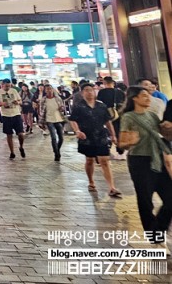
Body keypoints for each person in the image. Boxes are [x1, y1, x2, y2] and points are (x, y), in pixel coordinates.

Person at [119, 86, 172, 241]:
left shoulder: (153, 116)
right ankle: (155, 237)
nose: (149, 98)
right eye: (144, 95)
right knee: (145, 200)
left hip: (158, 159)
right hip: (139, 162)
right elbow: (122, 143)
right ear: (134, 98)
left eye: (149, 95)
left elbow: (164, 137)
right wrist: (130, 142)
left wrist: (168, 128)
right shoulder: (128, 117)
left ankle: (158, 230)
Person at [68, 83, 121, 197]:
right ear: (82, 93)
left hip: (101, 135)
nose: (89, 92)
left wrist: (113, 135)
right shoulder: (79, 107)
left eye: (91, 90)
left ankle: (111, 187)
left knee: (105, 161)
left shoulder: (101, 106)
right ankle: (91, 182)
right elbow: (73, 120)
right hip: (86, 137)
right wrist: (77, 131)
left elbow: (108, 121)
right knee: (89, 160)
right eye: (86, 90)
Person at [0, 80, 26, 159]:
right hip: (6, 116)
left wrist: (17, 102)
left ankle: (21, 147)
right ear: (2, 85)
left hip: (16, 114)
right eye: (6, 86)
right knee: (9, 135)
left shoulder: (14, 91)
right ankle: (12, 152)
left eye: (9, 86)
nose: (8, 88)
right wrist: (2, 104)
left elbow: (20, 101)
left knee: (21, 134)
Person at [37, 84, 66, 161]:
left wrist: (62, 108)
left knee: (61, 138)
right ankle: (56, 154)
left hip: (58, 119)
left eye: (50, 89)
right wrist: (41, 122)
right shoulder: (43, 99)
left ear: (52, 89)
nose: (49, 90)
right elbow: (41, 111)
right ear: (45, 91)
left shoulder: (57, 98)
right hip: (49, 120)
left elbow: (62, 107)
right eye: (47, 89)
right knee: (53, 137)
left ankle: (57, 149)